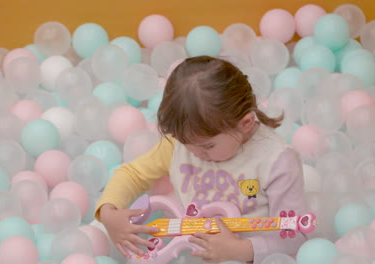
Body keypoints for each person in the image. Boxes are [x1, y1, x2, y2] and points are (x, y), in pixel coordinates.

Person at [94, 56, 309, 263]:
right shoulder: (183, 143)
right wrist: (108, 211)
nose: (194, 153)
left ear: (245, 123)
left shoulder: (277, 160)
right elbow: (133, 174)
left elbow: (294, 233)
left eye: (208, 146)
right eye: (184, 142)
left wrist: (240, 250)